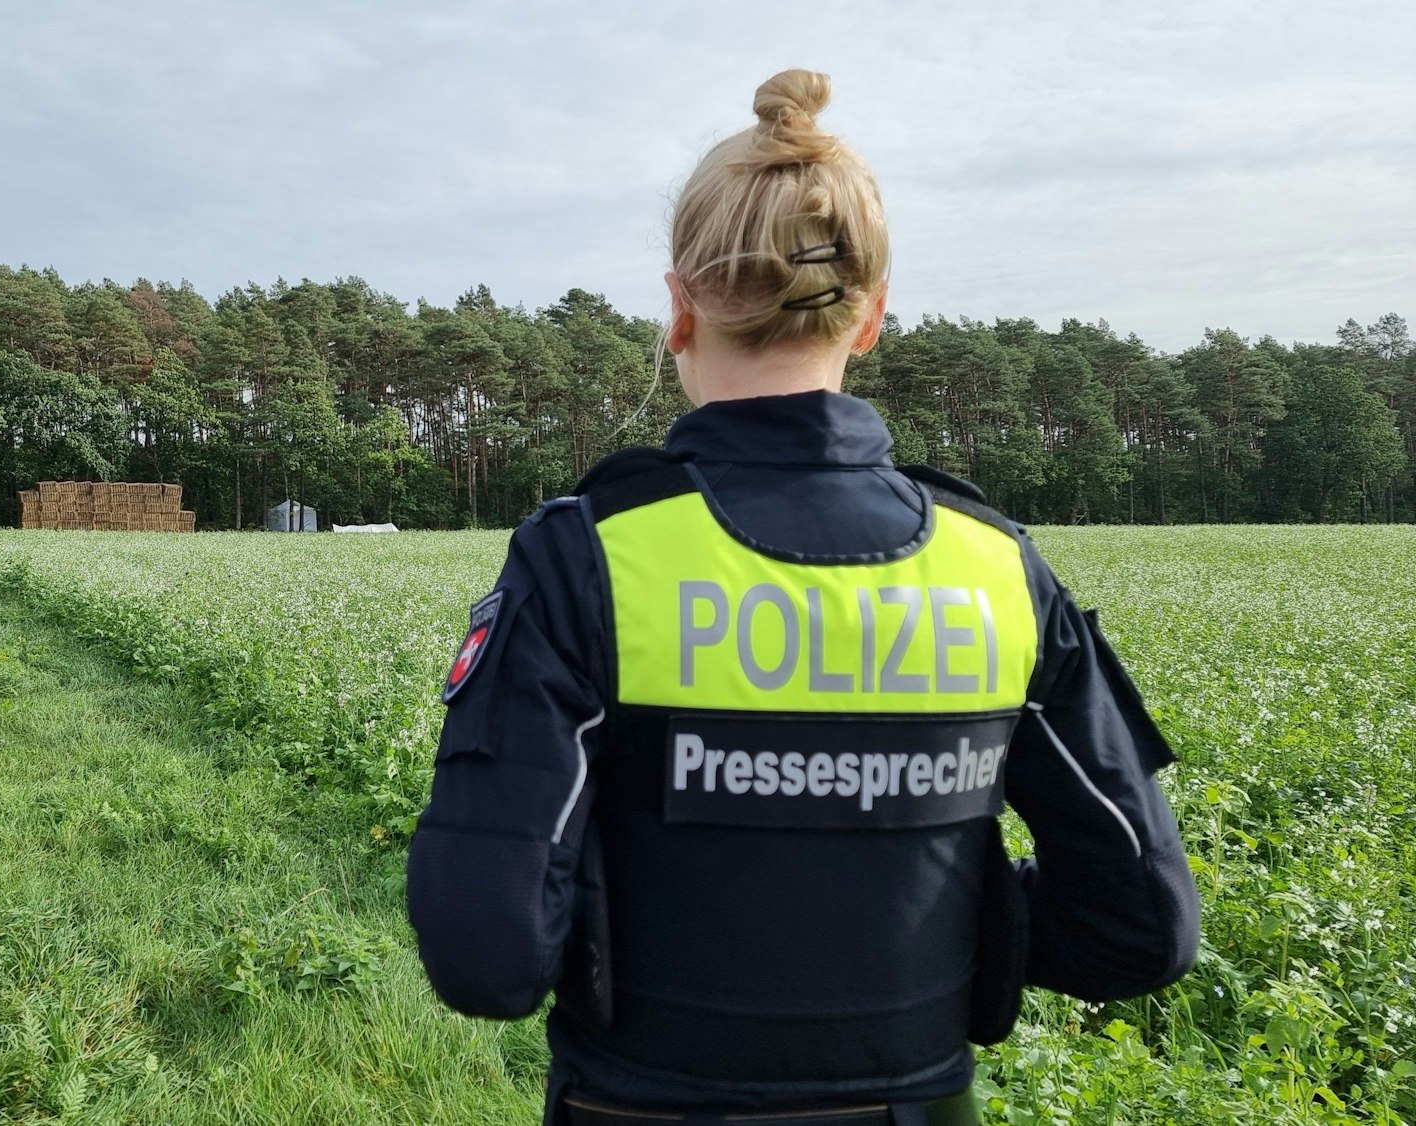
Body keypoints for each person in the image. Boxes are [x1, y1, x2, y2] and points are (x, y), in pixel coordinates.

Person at [405, 69, 1199, 1126]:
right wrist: (960, 929)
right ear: (869, 318)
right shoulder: (996, 567)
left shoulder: (586, 555)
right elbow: (1141, 929)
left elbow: (484, 953)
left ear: (679, 308)